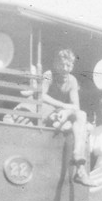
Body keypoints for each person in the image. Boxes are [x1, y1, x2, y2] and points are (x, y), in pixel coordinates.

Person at [39, 49, 94, 187]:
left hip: (63, 113)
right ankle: (80, 169)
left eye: (68, 66)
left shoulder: (72, 80)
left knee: (81, 115)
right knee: (71, 125)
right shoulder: (48, 75)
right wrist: (63, 105)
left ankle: (78, 160)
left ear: (72, 66)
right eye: (62, 65)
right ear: (56, 64)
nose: (65, 69)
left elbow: (76, 106)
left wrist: (67, 112)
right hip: (47, 110)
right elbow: (42, 95)